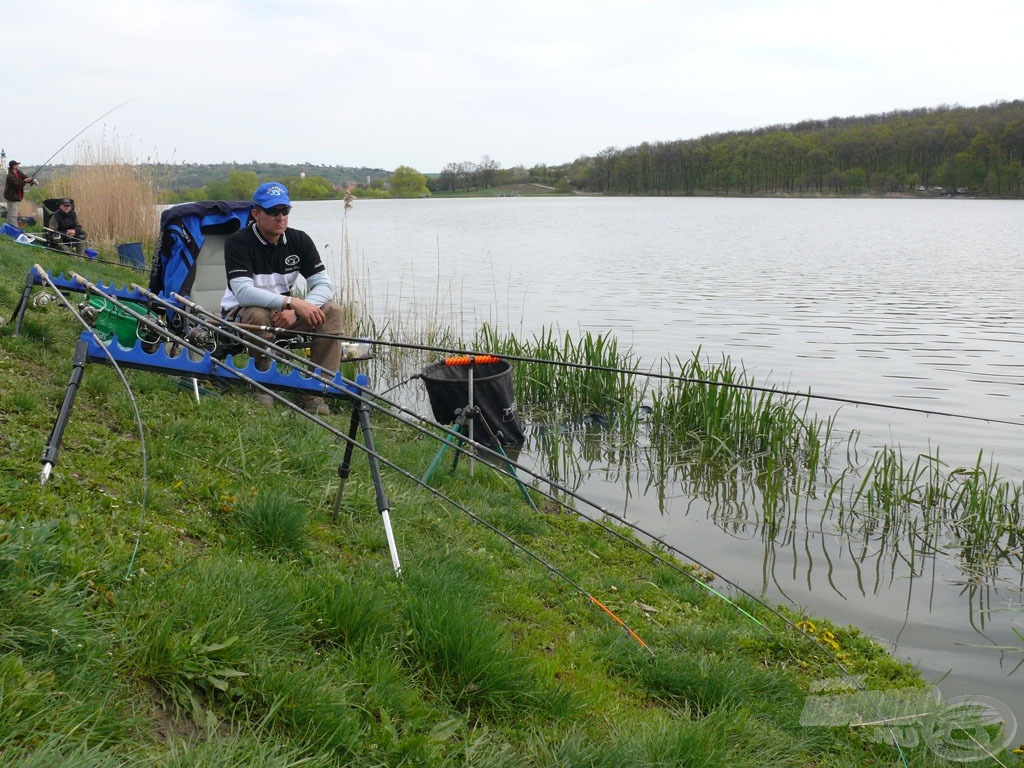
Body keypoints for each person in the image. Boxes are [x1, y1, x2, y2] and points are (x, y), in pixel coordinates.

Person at [221, 181, 344, 415]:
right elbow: (244, 293)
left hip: (284, 315)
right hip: (242, 316)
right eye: (272, 212)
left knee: (333, 310)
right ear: (256, 213)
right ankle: (263, 385)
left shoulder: (299, 240)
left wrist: (297, 310)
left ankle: (315, 390)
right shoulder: (238, 242)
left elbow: (324, 285)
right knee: (257, 312)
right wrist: (291, 302)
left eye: (284, 211)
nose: (280, 218)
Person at [4, 160, 37, 227]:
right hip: (11, 197)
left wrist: (32, 180)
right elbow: (17, 185)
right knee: (13, 214)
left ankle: (8, 227)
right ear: (13, 166)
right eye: (16, 164)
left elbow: (25, 177)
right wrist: (25, 181)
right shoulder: (10, 176)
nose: (17, 165)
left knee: (11, 213)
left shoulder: (18, 172)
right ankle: (14, 228)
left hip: (14, 196)